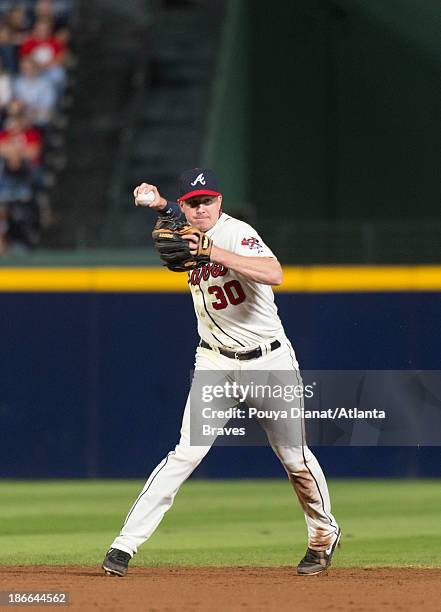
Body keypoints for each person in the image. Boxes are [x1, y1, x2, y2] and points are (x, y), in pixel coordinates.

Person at [102, 168, 340, 577]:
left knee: (294, 458)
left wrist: (213, 253)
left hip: (270, 362)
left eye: (207, 200)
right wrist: (156, 203)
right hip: (215, 361)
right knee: (185, 454)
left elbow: (274, 273)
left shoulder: (236, 233)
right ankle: (124, 546)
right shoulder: (187, 228)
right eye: (193, 203)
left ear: (220, 202)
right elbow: (178, 225)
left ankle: (323, 534)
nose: (201, 209)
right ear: (184, 205)